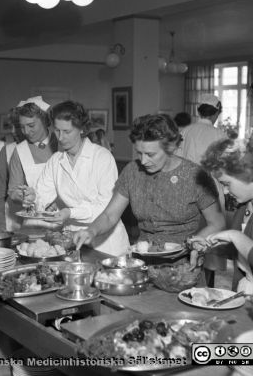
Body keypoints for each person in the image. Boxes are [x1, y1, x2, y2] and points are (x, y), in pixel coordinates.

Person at [73, 113, 225, 251]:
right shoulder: (133, 171)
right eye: (140, 153)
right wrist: (91, 231)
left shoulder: (196, 176)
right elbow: (109, 215)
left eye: (150, 154)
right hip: (144, 259)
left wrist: (192, 244)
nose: (144, 161)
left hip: (184, 265)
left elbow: (217, 222)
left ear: (170, 148)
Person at [23, 101, 129, 255]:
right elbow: (41, 197)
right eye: (57, 131)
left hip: (107, 244)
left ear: (81, 129)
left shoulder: (102, 158)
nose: (60, 138)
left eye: (67, 131)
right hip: (73, 240)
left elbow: (107, 208)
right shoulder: (56, 161)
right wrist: (33, 198)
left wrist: (70, 213)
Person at [177, 94, 228, 286]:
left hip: (187, 190)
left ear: (199, 111)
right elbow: (223, 167)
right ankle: (209, 284)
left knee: (189, 236)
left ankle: (187, 278)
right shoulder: (219, 135)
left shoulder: (186, 131)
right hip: (211, 191)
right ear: (216, 113)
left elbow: (178, 161)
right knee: (211, 239)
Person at [199, 137, 253, 293]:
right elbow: (242, 250)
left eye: (226, 184)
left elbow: (241, 241)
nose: (225, 191)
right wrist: (213, 246)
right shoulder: (244, 206)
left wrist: (235, 236)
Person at [8, 96, 58, 229]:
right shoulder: (20, 151)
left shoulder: (62, 143)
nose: (26, 132)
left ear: (45, 120)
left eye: (31, 126)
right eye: (22, 127)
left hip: (64, 218)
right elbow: (13, 190)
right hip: (35, 221)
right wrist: (21, 196)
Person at [0, 110, 25, 231]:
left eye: (18, 126)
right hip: (14, 220)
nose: (13, 131)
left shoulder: (53, 149)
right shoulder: (7, 151)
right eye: (13, 126)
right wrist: (0, 226)